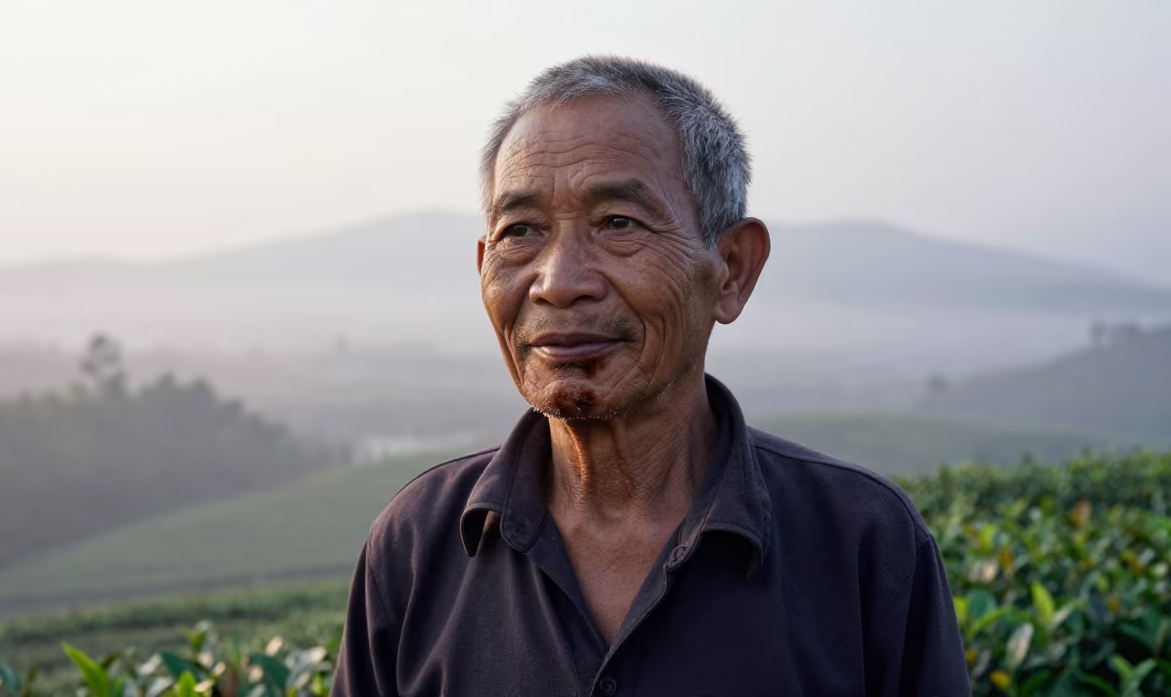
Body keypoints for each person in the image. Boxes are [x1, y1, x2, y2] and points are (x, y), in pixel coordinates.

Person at [332, 56, 968, 696]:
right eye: (520, 231)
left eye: (618, 224)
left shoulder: (865, 546)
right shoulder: (416, 547)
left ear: (732, 269)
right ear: (483, 267)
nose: (557, 283)